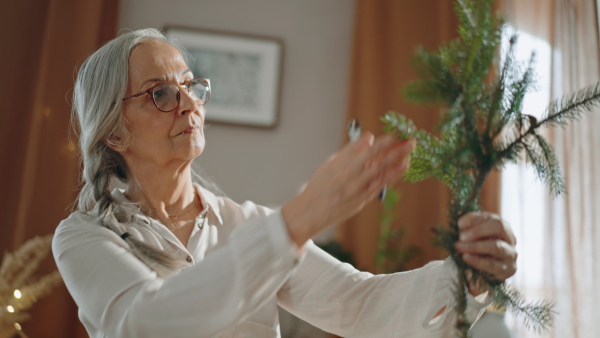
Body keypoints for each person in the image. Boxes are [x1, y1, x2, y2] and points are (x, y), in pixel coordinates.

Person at [52, 28, 517, 338]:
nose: (189, 105)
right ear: (114, 132)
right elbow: (148, 323)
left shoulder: (247, 223)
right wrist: (299, 218)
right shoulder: (82, 237)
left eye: (191, 87)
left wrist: (467, 276)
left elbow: (358, 305)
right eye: (161, 94)